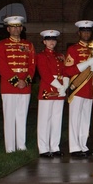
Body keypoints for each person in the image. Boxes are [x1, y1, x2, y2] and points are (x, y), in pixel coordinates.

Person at [0, 15, 36, 153]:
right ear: (8, 29)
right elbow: (1, 65)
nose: (16, 29)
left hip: (25, 86)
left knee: (22, 115)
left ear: (21, 28)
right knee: (9, 117)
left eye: (18, 26)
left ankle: (21, 144)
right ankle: (10, 147)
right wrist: (15, 81)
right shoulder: (2, 44)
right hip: (9, 86)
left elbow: (32, 65)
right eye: (13, 27)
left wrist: (26, 81)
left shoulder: (28, 45)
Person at [63, 20, 93, 158]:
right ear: (79, 33)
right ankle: (74, 147)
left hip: (89, 90)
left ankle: (83, 146)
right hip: (77, 89)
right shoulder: (72, 49)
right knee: (75, 120)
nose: (86, 33)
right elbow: (68, 70)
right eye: (83, 31)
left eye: (88, 31)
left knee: (85, 120)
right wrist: (86, 64)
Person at [35, 29, 69, 157]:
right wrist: (60, 86)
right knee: (45, 120)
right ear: (44, 41)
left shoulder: (60, 56)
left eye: (53, 40)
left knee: (56, 119)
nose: (51, 42)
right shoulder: (41, 56)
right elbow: (45, 74)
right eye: (48, 40)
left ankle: (55, 146)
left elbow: (65, 72)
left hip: (59, 91)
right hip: (48, 90)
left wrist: (64, 85)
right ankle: (43, 148)